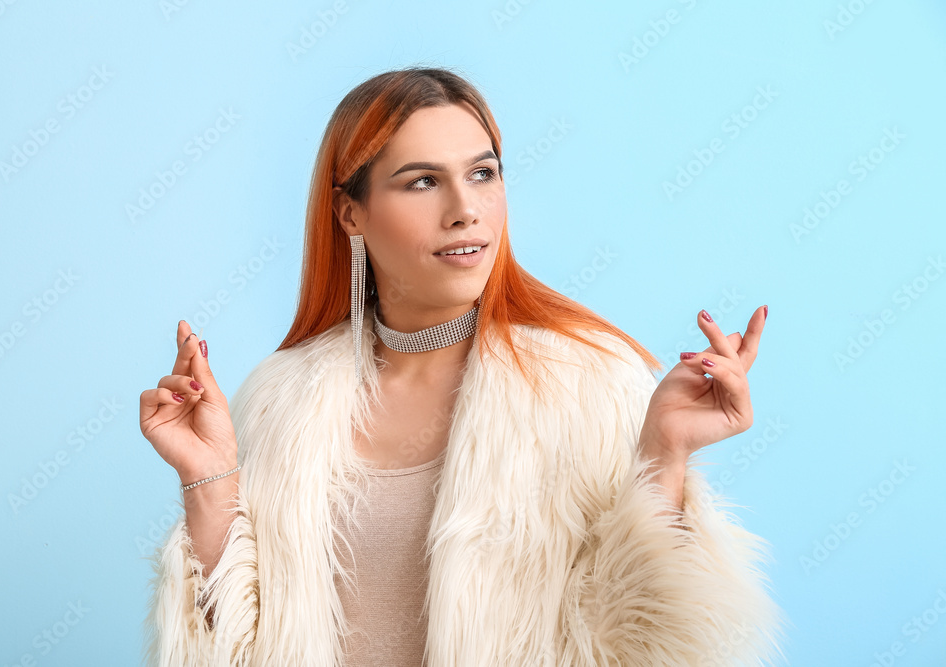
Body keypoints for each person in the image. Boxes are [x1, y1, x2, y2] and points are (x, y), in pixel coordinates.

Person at [140, 66, 785, 666]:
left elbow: (643, 645)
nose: (465, 208)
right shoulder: (279, 400)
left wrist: (665, 454)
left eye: (483, 173)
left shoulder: (588, 383)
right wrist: (210, 478)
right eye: (423, 181)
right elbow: (232, 648)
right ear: (351, 214)